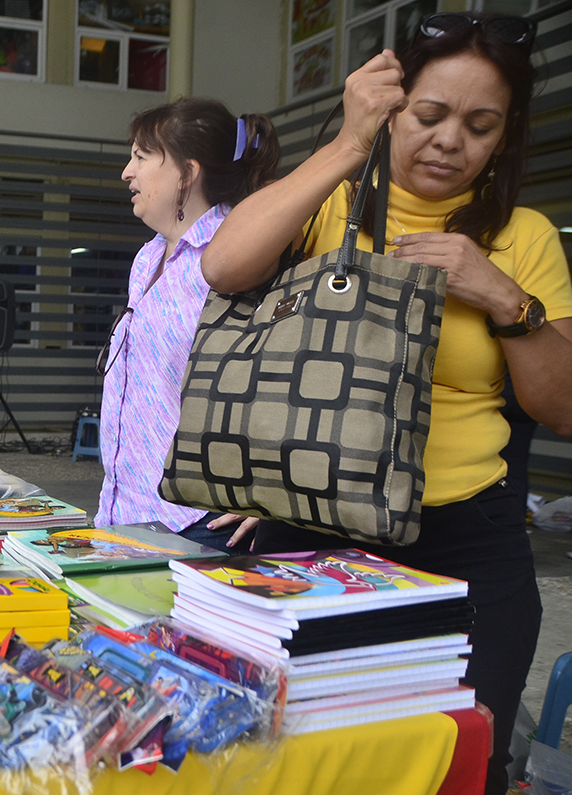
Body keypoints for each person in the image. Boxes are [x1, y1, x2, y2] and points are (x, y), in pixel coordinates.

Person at [200, 14, 572, 793]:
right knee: (304, 764)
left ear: (504, 136)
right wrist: (347, 143)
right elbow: (225, 266)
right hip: (318, 534)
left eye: (480, 125)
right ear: (392, 106)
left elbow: (564, 408)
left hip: (471, 548)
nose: (449, 142)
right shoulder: (333, 201)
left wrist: (503, 296)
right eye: (429, 116)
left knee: (458, 767)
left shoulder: (525, 235)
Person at [95, 98, 278, 554]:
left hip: (197, 521)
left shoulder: (235, 255)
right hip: (126, 511)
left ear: (186, 172)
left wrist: (270, 489)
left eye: (140, 157)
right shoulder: (148, 257)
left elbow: (278, 374)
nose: (126, 172)